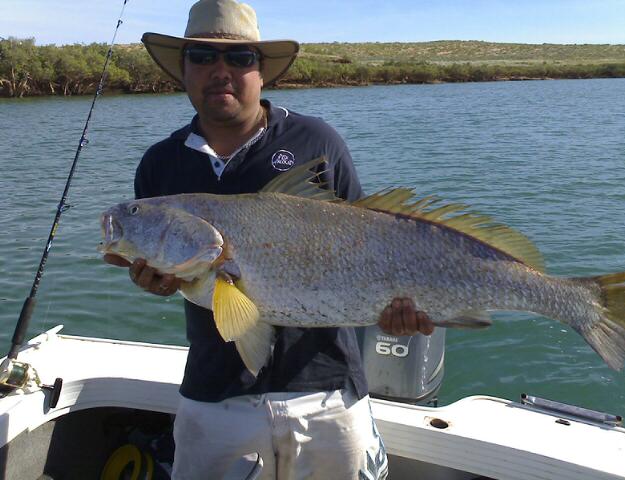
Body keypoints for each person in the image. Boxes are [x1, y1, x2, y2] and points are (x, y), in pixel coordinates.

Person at [104, 0, 434, 478]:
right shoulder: (160, 163)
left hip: (329, 393)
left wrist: (401, 305)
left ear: (261, 72)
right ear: (183, 69)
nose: (221, 71)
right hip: (214, 398)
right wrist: (159, 280)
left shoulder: (316, 141)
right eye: (202, 56)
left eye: (239, 59)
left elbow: (376, 234)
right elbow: (179, 274)